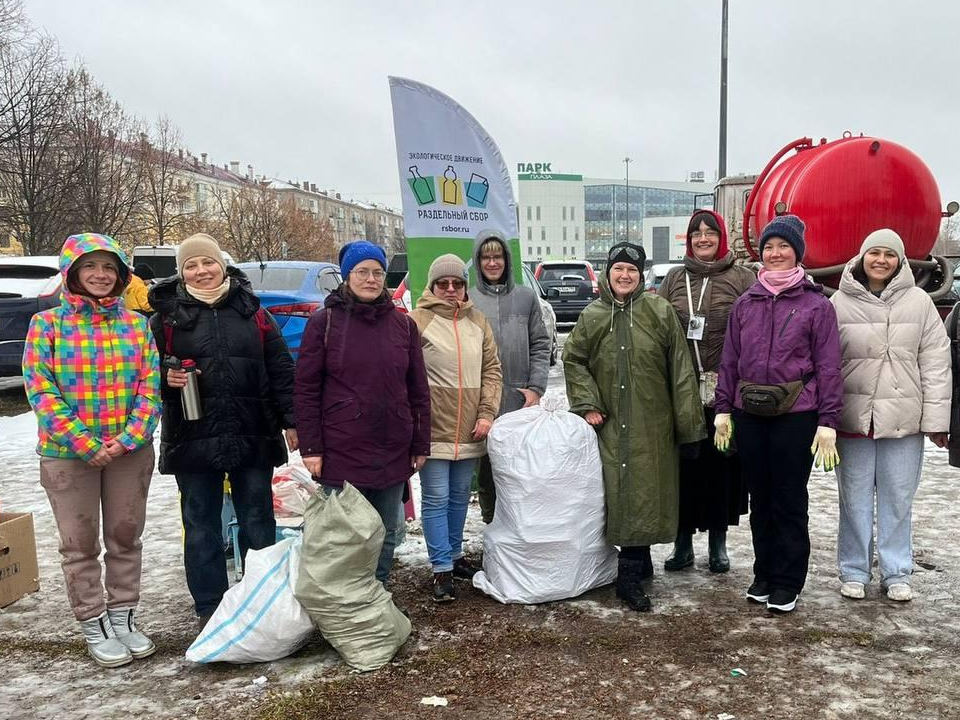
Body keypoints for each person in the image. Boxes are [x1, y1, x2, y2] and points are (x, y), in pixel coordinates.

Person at [22, 233, 161, 668]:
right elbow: (40, 389)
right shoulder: (47, 325)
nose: (100, 276)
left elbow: (150, 387)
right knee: (78, 543)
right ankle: (92, 620)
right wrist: (83, 442)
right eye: (90, 267)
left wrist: (128, 438)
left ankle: (123, 615)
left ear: (120, 276)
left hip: (128, 451)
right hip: (67, 454)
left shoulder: (137, 325)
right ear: (72, 273)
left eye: (108, 268)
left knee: (125, 535)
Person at [148, 233, 297, 627]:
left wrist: (292, 419)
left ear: (222, 264)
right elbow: (144, 374)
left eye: (207, 262)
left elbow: (280, 367)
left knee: (258, 518)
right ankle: (210, 607)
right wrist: (167, 377)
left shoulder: (253, 312)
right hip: (192, 434)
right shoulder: (164, 318)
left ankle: (260, 597)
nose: (201, 271)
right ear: (182, 273)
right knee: (200, 524)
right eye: (191, 265)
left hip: (252, 429)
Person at [563, 241, 706, 612]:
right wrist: (588, 402)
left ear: (640, 276)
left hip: (650, 425)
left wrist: (689, 428)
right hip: (608, 423)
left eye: (631, 270)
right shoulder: (593, 316)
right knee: (618, 493)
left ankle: (633, 565)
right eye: (617, 270)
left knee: (642, 492)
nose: (624, 276)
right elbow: (573, 359)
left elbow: (681, 372)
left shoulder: (658, 312)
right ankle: (632, 567)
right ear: (607, 275)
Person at [714, 214, 843, 614]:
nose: (775, 253)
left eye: (783, 246)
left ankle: (788, 579)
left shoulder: (816, 305)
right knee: (761, 498)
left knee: (788, 499)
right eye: (769, 246)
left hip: (795, 414)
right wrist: (723, 408)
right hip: (749, 412)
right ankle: (764, 573)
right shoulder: (745, 304)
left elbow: (828, 366)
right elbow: (730, 360)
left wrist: (827, 421)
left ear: (797, 253)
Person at [294, 240, 431, 588]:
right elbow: (307, 390)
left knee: (385, 532)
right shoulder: (324, 323)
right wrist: (311, 448)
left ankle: (377, 592)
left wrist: (420, 443)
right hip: (342, 448)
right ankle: (346, 602)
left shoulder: (403, 326)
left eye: (377, 272)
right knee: (345, 535)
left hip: (392, 445)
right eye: (362, 272)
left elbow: (418, 390)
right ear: (346, 276)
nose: (371, 279)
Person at [831, 229, 950, 602]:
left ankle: (897, 571)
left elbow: (935, 361)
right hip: (855, 417)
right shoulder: (840, 301)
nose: (881, 260)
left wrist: (936, 420)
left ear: (900, 261)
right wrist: (825, 417)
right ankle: (854, 569)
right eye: (874, 253)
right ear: (862, 257)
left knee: (899, 497)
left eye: (889, 254)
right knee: (854, 497)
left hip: (903, 418)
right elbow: (826, 360)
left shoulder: (918, 302)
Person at [658, 210, 755, 574]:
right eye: (696, 233)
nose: (703, 239)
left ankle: (718, 543)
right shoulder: (673, 279)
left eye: (709, 233)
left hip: (726, 388)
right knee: (684, 467)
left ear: (721, 238)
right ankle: (681, 544)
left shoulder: (743, 278)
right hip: (682, 387)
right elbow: (659, 330)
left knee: (722, 467)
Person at [409, 253, 502, 602]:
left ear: (465, 287)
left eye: (457, 283)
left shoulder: (477, 321)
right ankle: (440, 569)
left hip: (470, 428)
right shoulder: (417, 321)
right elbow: (405, 376)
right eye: (443, 283)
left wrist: (486, 413)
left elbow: (492, 370)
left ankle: (454, 554)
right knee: (436, 497)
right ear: (432, 286)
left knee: (461, 496)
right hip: (432, 427)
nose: (450, 289)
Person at [469, 230, 551, 523]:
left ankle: (524, 528)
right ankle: (492, 525)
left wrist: (536, 388)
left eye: (498, 256)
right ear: (478, 261)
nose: (492, 262)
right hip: (483, 402)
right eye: (486, 256)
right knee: (489, 469)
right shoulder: (469, 300)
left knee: (522, 468)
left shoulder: (526, 298)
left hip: (521, 400)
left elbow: (541, 344)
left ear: (507, 259)